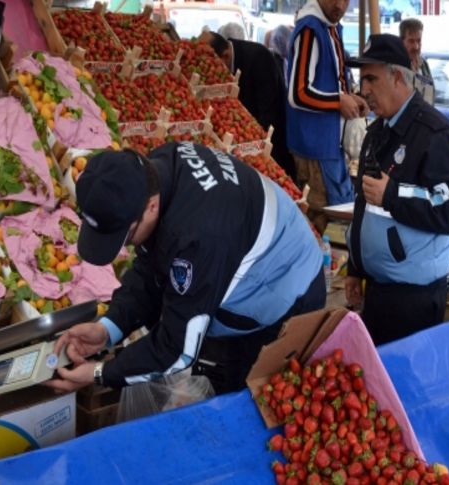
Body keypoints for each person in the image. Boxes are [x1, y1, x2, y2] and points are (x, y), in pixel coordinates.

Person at [46, 143, 325, 393]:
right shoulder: (156, 168)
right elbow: (151, 266)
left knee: (243, 395)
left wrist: (101, 373)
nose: (127, 247)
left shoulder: (199, 238)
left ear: (151, 206)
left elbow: (177, 349)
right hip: (246, 247)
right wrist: (110, 328)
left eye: (126, 237)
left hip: (287, 289)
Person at [344, 34, 449, 345]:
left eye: (371, 79)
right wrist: (355, 267)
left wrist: (394, 194)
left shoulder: (435, 134)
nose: (364, 90)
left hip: (415, 300)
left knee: (406, 388)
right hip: (379, 290)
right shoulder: (377, 132)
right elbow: (365, 200)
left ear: (397, 76)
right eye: (362, 79)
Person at [286, 0, 369, 233]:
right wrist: (339, 101)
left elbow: (332, 83)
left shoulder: (329, 28)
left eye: (346, 0)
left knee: (337, 218)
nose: (340, 6)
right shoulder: (310, 30)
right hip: (314, 148)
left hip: (328, 146)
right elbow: (298, 93)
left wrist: (352, 97)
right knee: (322, 222)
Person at [208, 33, 296, 181]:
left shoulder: (259, 58)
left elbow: (269, 113)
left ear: (225, 55)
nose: (212, 72)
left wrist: (251, 148)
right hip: (246, 139)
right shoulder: (231, 55)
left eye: (213, 65)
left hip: (271, 144)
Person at [398, 18, 434, 105]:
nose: (416, 46)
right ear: (401, 41)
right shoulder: (396, 67)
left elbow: (430, 95)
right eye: (411, 41)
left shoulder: (424, 65)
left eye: (419, 41)